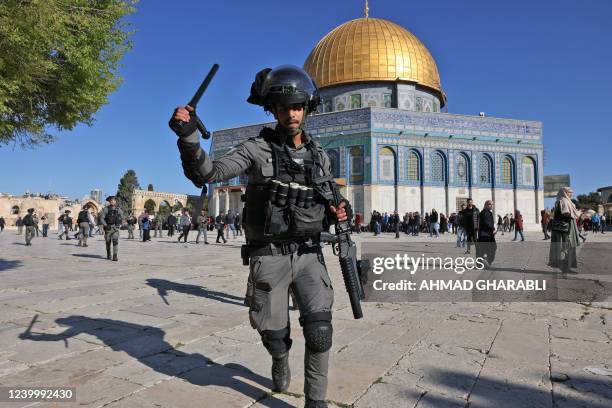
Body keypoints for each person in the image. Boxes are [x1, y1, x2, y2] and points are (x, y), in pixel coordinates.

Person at [170, 65, 350, 408]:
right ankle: (279, 357)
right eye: (284, 108)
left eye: (297, 107)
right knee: (273, 333)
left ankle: (316, 401)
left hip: (311, 254)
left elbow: (331, 197)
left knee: (320, 331)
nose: (291, 114)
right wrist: (188, 136)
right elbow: (210, 173)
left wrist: (337, 208)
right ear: (273, 110)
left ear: (307, 108)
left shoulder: (319, 156)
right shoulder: (256, 149)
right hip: (269, 254)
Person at [549, 187, 581, 273]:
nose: (571, 194)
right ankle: (565, 268)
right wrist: (577, 214)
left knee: (567, 248)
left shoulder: (564, 201)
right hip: (565, 229)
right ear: (565, 192)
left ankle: (565, 267)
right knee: (566, 248)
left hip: (565, 228)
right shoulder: (563, 201)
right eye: (570, 192)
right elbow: (566, 214)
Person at [100, 196, 123, 261]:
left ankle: (115, 255)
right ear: (109, 201)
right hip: (108, 228)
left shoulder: (118, 209)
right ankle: (108, 253)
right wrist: (105, 225)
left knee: (115, 241)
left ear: (116, 201)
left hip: (115, 228)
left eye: (114, 200)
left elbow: (122, 217)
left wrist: (119, 224)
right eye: (111, 200)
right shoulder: (106, 209)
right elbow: (102, 218)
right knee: (108, 242)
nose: (112, 201)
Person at [476, 200, 497, 268]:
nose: (491, 206)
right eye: (490, 204)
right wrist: (493, 229)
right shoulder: (486, 213)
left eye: (492, 204)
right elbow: (486, 223)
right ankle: (487, 261)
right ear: (486, 205)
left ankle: (481, 263)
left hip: (484, 234)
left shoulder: (486, 212)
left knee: (482, 249)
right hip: (486, 234)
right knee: (492, 247)